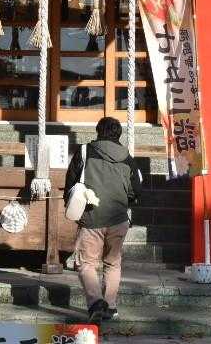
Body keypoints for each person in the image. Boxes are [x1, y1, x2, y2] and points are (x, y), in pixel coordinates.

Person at [65, 116, 141, 323]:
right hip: (118, 218)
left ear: (98, 131)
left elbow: (71, 181)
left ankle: (96, 302)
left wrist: (71, 206)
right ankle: (111, 306)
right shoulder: (127, 157)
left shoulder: (85, 151)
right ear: (119, 134)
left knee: (86, 263)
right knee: (113, 263)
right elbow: (137, 190)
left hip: (91, 217)